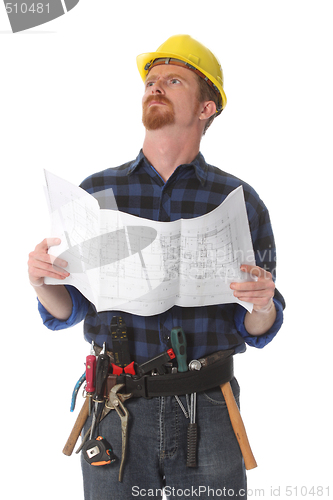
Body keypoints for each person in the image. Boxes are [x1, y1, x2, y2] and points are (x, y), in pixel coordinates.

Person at [28, 35, 285, 500]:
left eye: (173, 80)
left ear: (206, 108)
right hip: (116, 406)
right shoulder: (99, 194)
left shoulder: (238, 202)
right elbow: (69, 307)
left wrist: (262, 303)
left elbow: (256, 324)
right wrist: (41, 280)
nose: (155, 87)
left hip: (208, 405)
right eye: (150, 81)